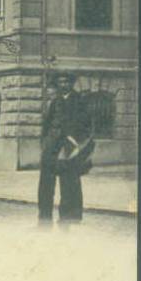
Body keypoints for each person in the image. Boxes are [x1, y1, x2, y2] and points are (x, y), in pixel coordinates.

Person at [38, 72, 89, 224]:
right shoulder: (55, 101)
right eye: (60, 82)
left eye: (66, 82)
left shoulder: (80, 101)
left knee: (69, 184)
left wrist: (74, 143)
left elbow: (86, 125)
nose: (63, 85)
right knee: (45, 184)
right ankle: (44, 218)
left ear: (71, 84)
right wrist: (45, 143)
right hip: (51, 147)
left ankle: (69, 218)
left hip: (69, 147)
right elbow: (47, 125)